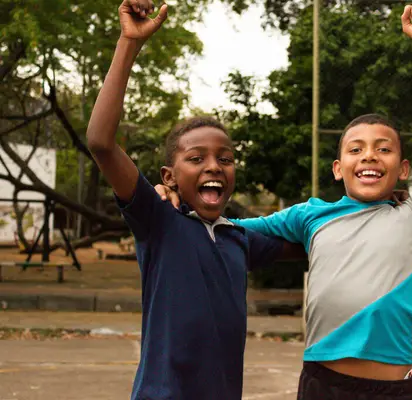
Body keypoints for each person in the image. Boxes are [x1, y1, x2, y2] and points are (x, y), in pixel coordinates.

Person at [157, 3, 412, 399]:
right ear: (338, 169)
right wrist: (176, 199)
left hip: (391, 388)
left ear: (404, 169)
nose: (370, 156)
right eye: (356, 149)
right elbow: (228, 230)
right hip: (322, 385)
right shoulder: (312, 216)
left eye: (384, 149)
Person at [86, 1, 302, 399]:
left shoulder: (239, 238)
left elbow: (316, 242)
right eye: (196, 158)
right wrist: (129, 43)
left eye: (225, 158)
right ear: (169, 176)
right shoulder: (159, 221)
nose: (214, 166)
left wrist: (372, 204)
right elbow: (101, 142)